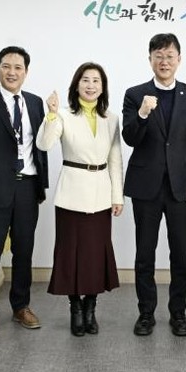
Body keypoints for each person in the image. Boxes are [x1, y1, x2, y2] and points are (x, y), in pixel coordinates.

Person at [122, 33, 186, 337]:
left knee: (180, 253)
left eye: (169, 56)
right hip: (146, 186)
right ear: (150, 60)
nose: (164, 61)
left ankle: (178, 313)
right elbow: (130, 137)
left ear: (179, 59)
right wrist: (143, 113)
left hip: (181, 187)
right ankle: (146, 313)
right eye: (158, 56)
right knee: (145, 253)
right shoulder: (135, 94)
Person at [36, 62, 123, 336]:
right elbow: (43, 144)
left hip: (101, 194)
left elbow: (115, 159)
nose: (90, 85)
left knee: (96, 254)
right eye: (85, 80)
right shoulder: (63, 115)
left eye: (96, 80)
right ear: (76, 85)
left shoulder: (112, 118)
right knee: (70, 253)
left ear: (103, 87)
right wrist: (51, 115)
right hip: (71, 193)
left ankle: (90, 307)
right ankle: (75, 307)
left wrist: (117, 196)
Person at [0, 46, 49, 336]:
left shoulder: (35, 102)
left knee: (24, 251)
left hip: (27, 186)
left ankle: (21, 306)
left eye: (18, 67)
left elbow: (41, 146)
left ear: (26, 72)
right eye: (6, 66)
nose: (11, 72)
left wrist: (41, 183)